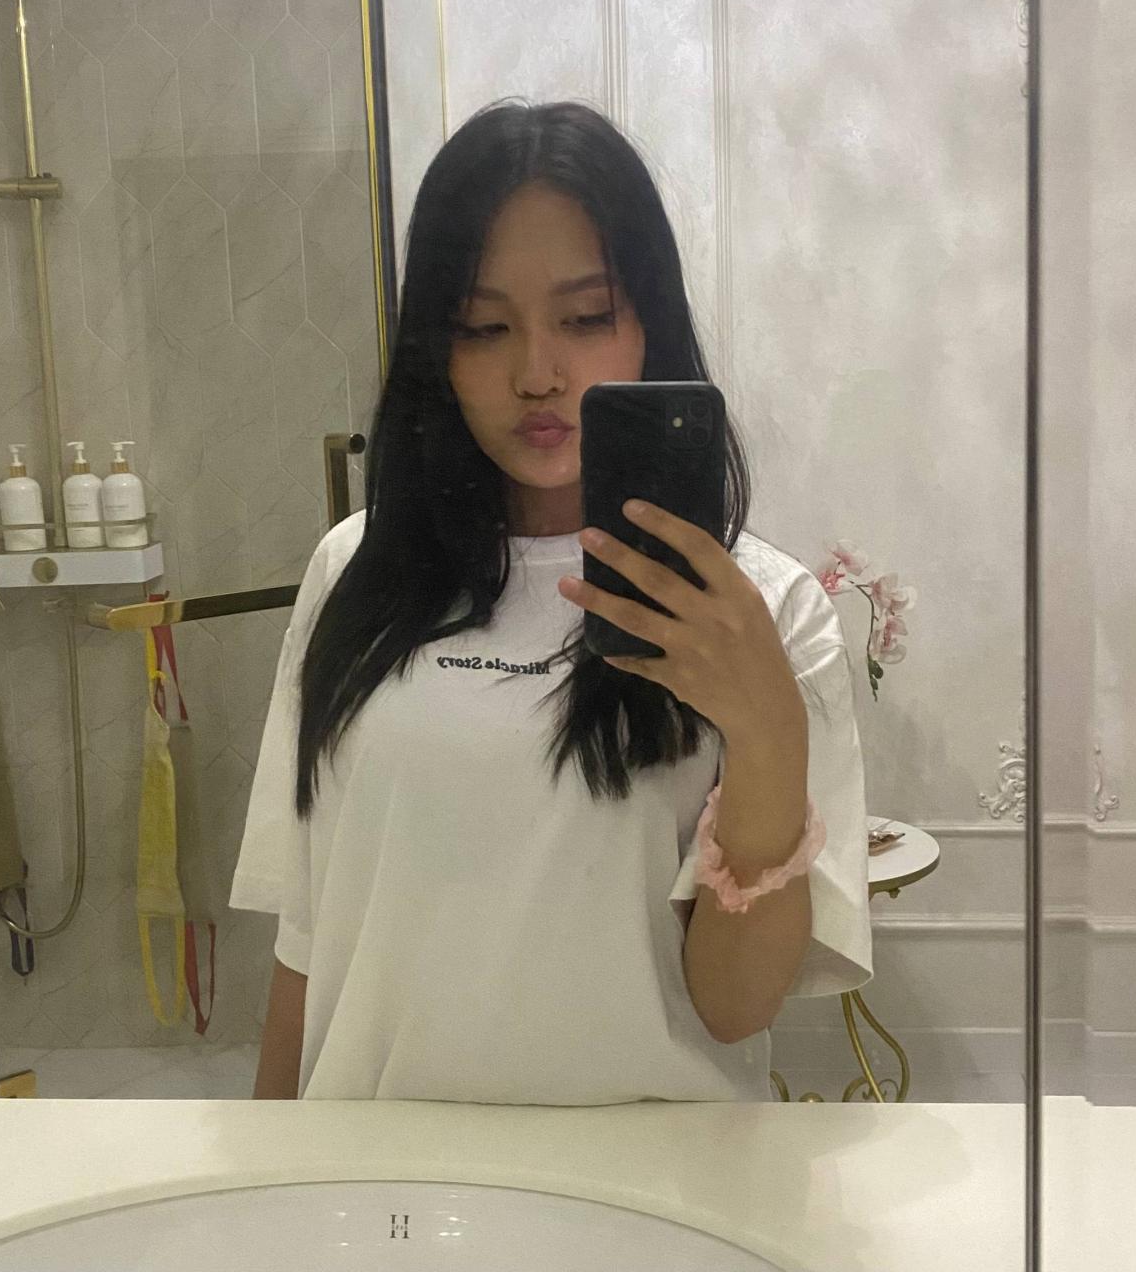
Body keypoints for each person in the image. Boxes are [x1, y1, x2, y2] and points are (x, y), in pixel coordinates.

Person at [229, 100, 871, 1102]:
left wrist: (769, 733)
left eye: (585, 318)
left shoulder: (762, 610)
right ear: (437, 351)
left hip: (644, 1181)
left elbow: (735, 1006)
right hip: (382, 1176)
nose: (537, 373)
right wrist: (268, 1177)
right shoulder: (352, 575)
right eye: (484, 328)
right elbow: (308, 946)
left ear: (649, 323)